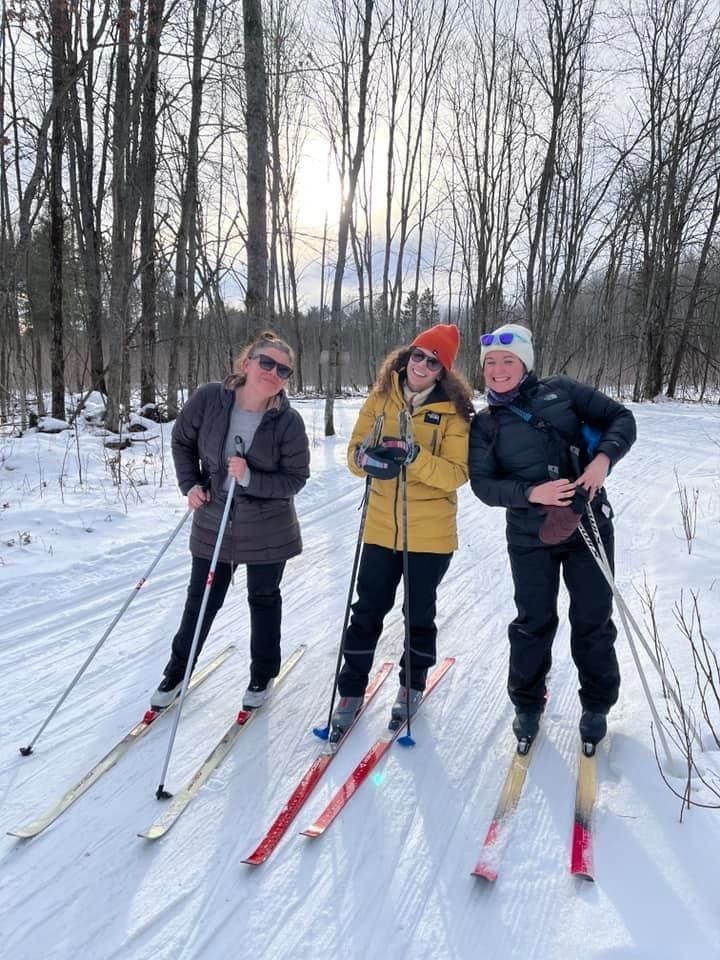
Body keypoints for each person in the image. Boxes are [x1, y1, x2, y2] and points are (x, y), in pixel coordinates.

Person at [468, 323, 636, 748]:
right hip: (529, 535)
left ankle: (596, 705)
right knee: (532, 622)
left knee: (593, 619)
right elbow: (483, 485)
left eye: (508, 361)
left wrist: (602, 462)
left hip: (588, 523)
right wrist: (529, 493)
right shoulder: (486, 423)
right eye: (491, 362)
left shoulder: (562, 392)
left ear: (525, 364)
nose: (498, 369)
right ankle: (527, 704)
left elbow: (622, 418)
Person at [151, 331, 310, 711]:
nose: (273, 373)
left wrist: (252, 478)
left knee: (264, 599)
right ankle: (176, 672)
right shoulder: (210, 399)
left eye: (283, 370)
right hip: (212, 521)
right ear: (247, 364)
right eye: (266, 363)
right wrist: (190, 484)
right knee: (201, 601)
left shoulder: (288, 422)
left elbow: (295, 479)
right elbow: (182, 441)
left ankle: (262, 674)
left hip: (268, 528)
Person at [330, 323, 475, 737]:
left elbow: (456, 474)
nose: (423, 365)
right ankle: (350, 691)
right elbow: (354, 455)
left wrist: (415, 457)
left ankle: (411, 686)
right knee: (366, 612)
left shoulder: (455, 413)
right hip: (379, 528)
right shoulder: (381, 398)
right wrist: (367, 459)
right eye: (419, 355)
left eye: (434, 361)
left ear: (443, 371)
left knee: (419, 613)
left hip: (430, 537)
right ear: (407, 355)